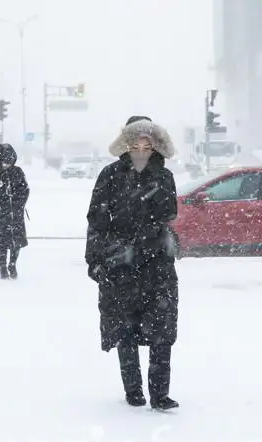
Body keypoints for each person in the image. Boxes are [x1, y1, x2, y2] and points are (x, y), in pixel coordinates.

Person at [85, 116, 180, 410]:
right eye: (136, 144)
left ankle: (160, 394)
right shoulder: (110, 175)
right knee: (125, 329)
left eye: (147, 145)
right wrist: (95, 259)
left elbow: (169, 213)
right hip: (120, 264)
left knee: (161, 330)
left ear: (156, 145)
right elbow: (96, 221)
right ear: (126, 144)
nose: (141, 150)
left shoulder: (163, 176)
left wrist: (153, 187)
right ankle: (133, 390)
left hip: (157, 265)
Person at [0, 143, 29, 279]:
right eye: (4, 162)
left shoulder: (18, 172)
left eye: (9, 161)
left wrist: (18, 203)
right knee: (1, 242)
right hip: (0, 215)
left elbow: (25, 190)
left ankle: (12, 264)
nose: (6, 165)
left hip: (16, 214)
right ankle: (2, 267)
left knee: (16, 242)